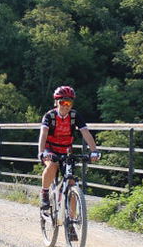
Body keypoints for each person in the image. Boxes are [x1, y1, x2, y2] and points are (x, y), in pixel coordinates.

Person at [38, 85, 100, 213]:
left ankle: (71, 222)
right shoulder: (49, 116)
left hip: (66, 150)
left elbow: (86, 133)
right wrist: (41, 153)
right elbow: (43, 134)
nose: (66, 106)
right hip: (50, 149)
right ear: (56, 102)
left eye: (69, 102)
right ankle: (44, 194)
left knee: (71, 183)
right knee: (52, 166)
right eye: (62, 102)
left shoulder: (74, 116)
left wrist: (94, 151)